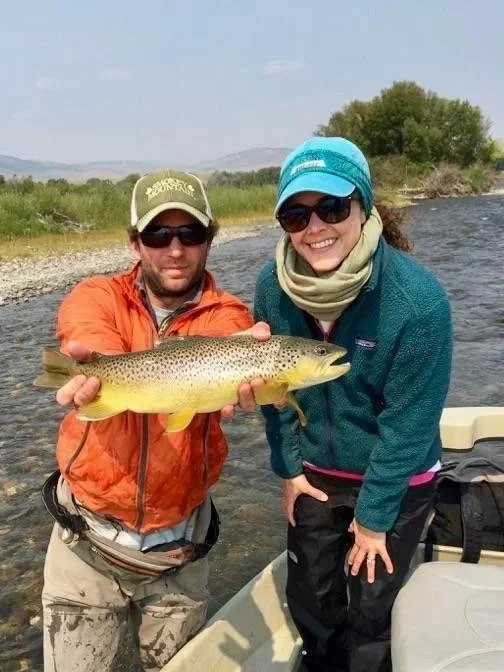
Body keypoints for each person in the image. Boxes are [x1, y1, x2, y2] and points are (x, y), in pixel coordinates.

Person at [40, 168, 263, 672]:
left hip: (178, 555)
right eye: (158, 234)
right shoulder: (98, 294)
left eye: (191, 233)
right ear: (136, 243)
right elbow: (88, 330)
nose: (176, 249)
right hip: (86, 543)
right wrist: (97, 367)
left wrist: (247, 367)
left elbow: (231, 342)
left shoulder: (228, 316)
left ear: (210, 239)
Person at [252, 137, 453, 672]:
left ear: (363, 208)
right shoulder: (272, 288)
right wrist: (288, 470)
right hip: (315, 472)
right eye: (296, 215)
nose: (315, 228)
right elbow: (277, 395)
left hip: (396, 476)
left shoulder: (418, 302)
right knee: (313, 603)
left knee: (371, 614)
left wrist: (372, 519)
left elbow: (408, 428)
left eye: (333, 208)